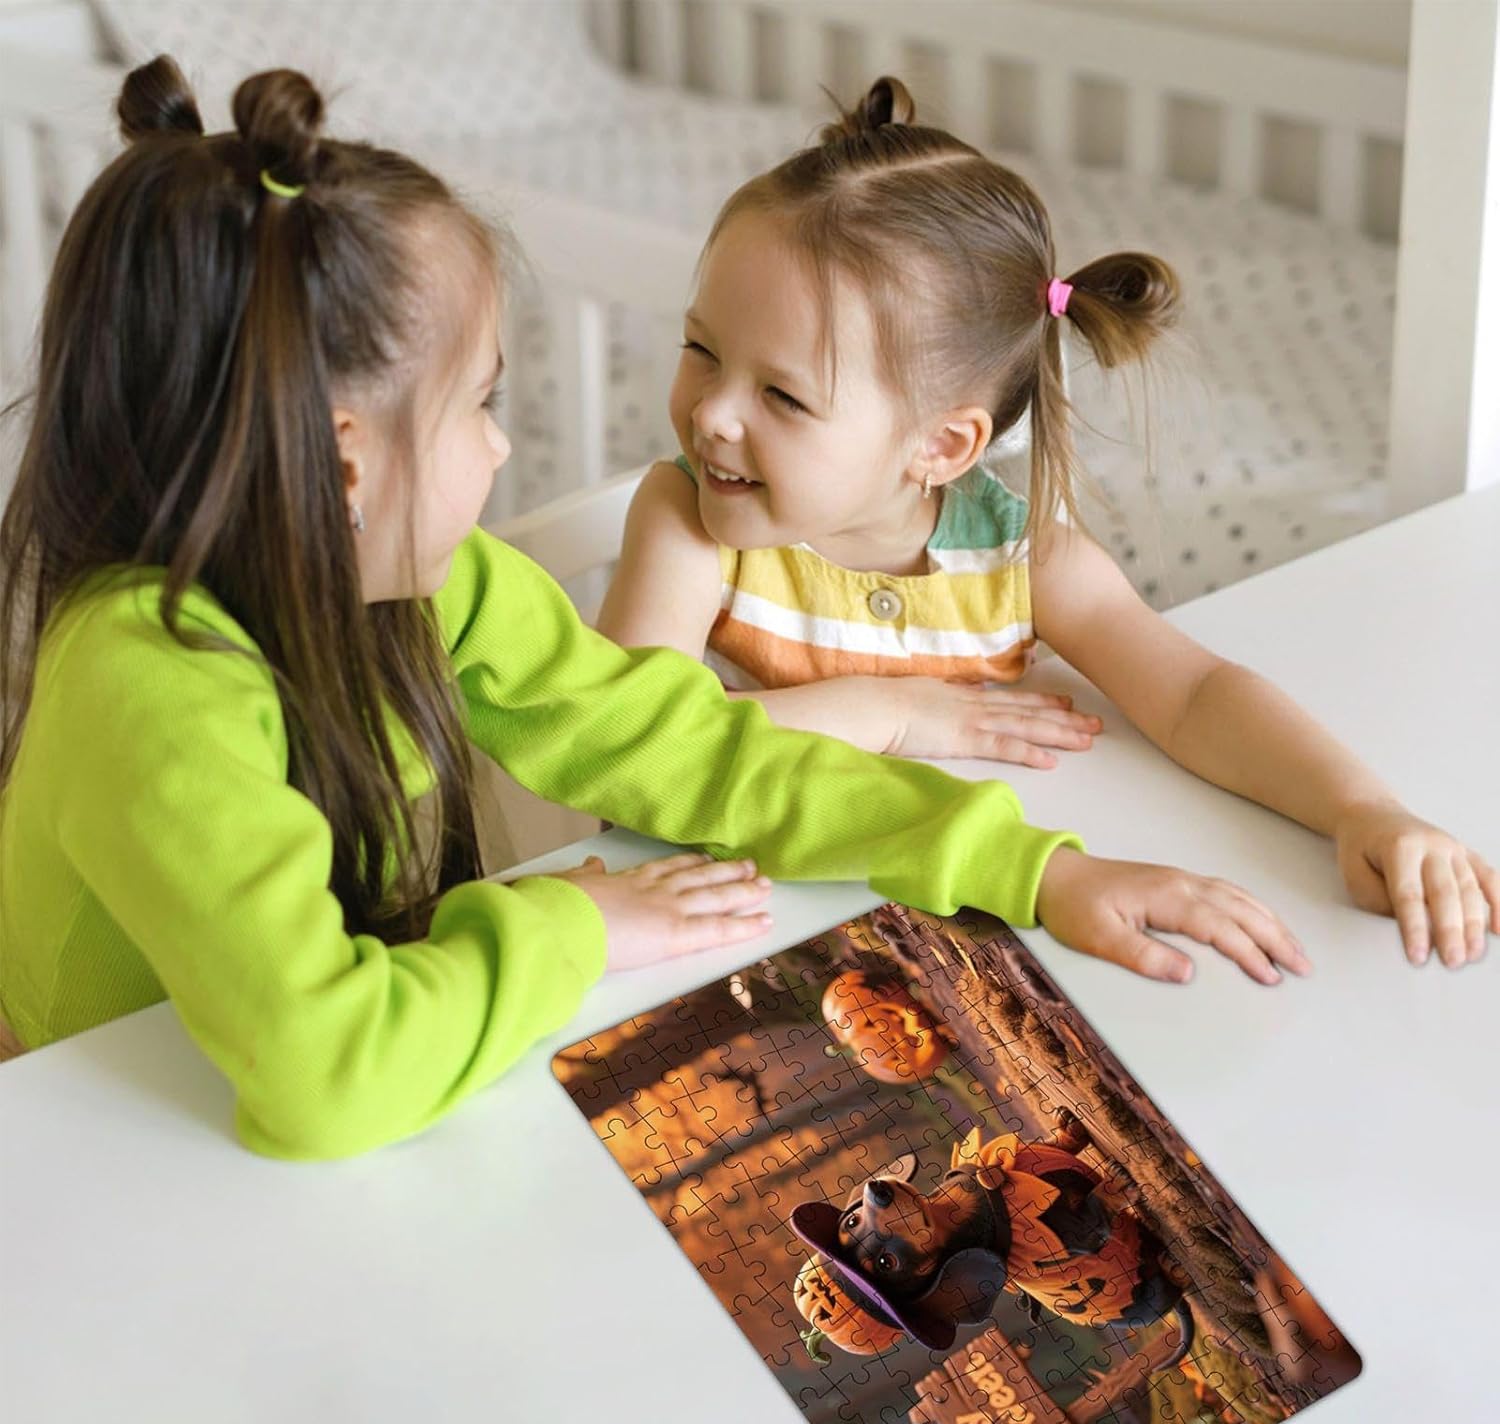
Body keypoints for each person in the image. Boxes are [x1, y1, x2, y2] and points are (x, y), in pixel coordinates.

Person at [0, 60, 1309, 1162]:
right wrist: (571, 924)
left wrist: (1035, 869)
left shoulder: (438, 581)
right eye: (481, 407)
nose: (504, 450)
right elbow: (323, 1077)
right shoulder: (152, 687)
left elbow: (691, 747)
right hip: (100, 1140)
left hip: (338, 1054)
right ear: (348, 468)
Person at [597, 77, 1497, 973]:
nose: (712, 413)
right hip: (739, 934)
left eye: (783, 396)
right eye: (701, 349)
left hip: (988, 928)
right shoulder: (687, 526)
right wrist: (894, 712)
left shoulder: (1025, 560)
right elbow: (637, 757)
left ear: (942, 446)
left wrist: (1364, 811)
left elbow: (1194, 696)